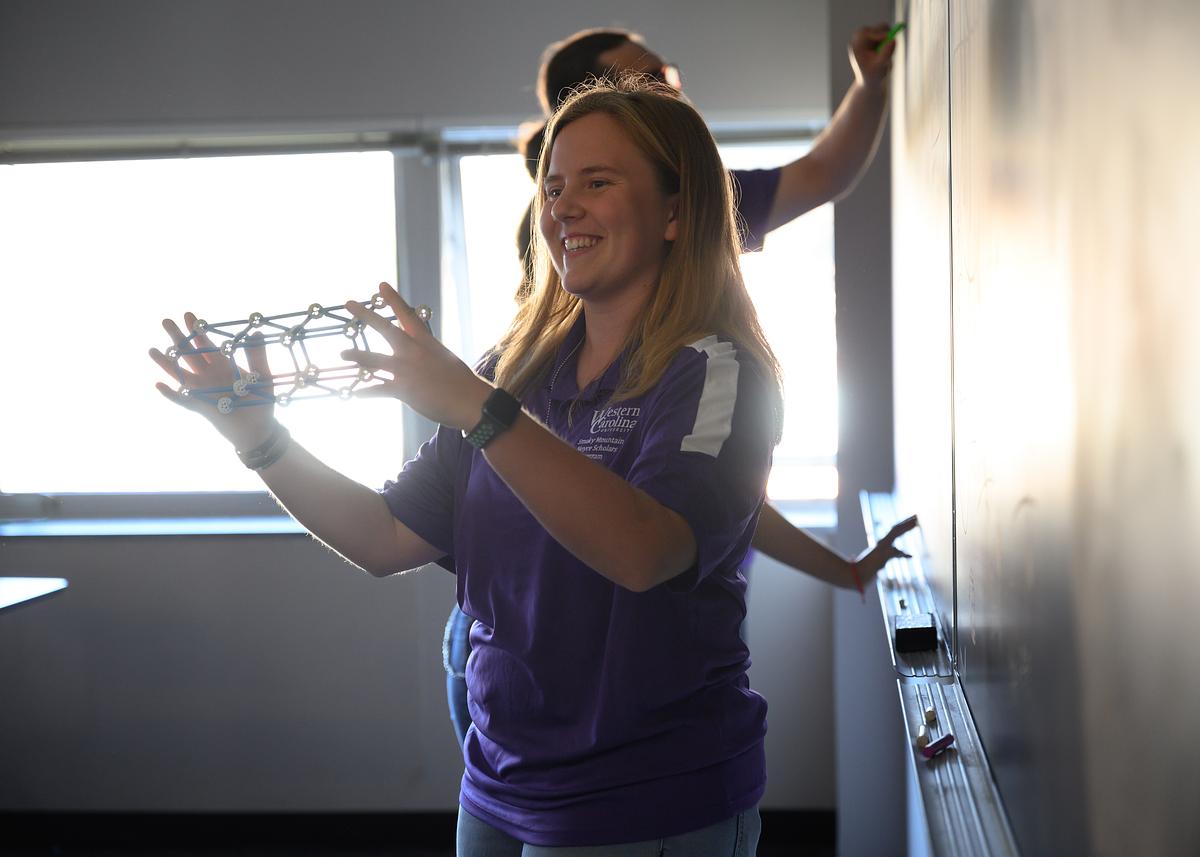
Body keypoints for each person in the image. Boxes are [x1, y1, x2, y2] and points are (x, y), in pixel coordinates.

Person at [153, 76, 801, 853]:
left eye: (598, 183)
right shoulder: (515, 372)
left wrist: (480, 409)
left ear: (674, 211)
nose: (562, 208)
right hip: (498, 782)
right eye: (553, 187)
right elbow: (385, 536)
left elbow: (644, 550)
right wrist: (259, 437)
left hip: (645, 796)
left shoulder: (715, 370)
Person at [444, 23, 913, 748]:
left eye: (667, 76)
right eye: (646, 81)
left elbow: (695, 496)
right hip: (515, 647)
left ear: (677, 215)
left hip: (634, 682)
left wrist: (872, 85)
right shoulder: (575, 238)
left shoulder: (693, 238)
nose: (670, 89)